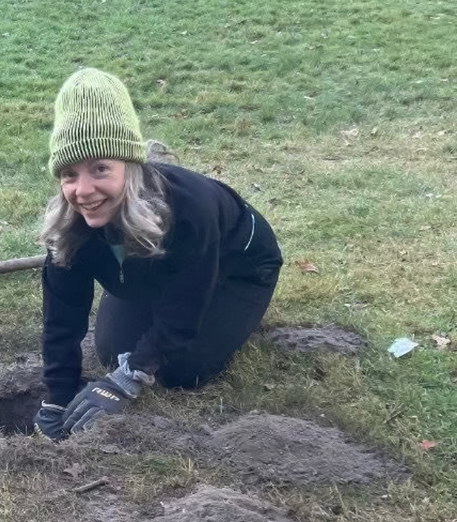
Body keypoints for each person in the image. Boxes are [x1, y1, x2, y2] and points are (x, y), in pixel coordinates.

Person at [32, 68, 283, 441]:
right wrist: (58, 395)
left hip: (234, 269)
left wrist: (128, 378)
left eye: (100, 168)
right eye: (69, 174)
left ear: (130, 166)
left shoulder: (188, 210)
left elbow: (185, 305)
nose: (83, 190)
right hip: (155, 273)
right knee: (112, 350)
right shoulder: (70, 225)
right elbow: (62, 315)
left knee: (181, 369)